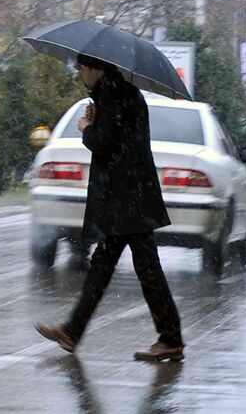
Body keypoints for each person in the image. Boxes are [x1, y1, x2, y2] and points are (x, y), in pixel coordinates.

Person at [35, 54, 184, 362]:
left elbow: (103, 142)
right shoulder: (117, 93)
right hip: (127, 196)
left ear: (96, 68)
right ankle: (73, 331)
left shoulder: (114, 94)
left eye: (80, 68)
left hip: (127, 198)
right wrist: (97, 115)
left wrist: (88, 126)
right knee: (105, 266)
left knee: (146, 269)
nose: (77, 74)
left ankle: (170, 338)